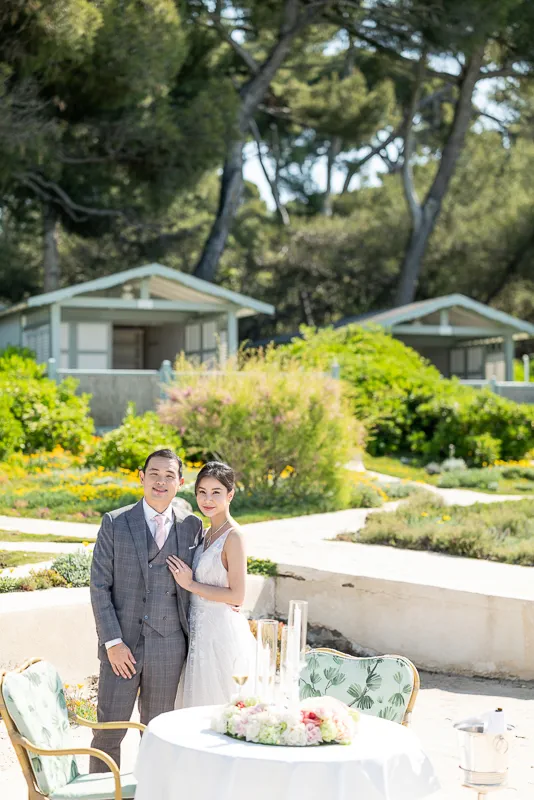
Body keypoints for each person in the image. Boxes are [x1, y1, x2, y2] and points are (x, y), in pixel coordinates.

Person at [89, 448, 202, 771]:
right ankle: (100, 794)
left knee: (158, 734)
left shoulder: (192, 526)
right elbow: (99, 587)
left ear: (180, 482)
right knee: (109, 732)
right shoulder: (115, 522)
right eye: (154, 474)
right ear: (141, 477)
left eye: (169, 476)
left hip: (169, 647)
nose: (161, 482)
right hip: (121, 647)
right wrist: (113, 643)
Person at [169, 461, 256, 707]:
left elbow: (238, 596)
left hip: (220, 632)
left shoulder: (234, 536)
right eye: (202, 492)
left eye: (216, 492)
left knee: (220, 704)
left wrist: (191, 585)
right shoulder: (205, 534)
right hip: (198, 631)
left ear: (230, 495)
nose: (207, 499)